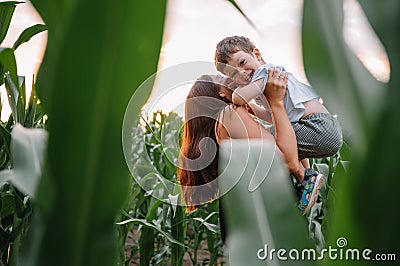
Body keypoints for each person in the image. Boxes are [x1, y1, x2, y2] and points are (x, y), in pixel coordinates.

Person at [178, 68, 323, 221]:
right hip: (262, 214)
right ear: (220, 93)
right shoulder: (230, 113)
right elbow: (287, 162)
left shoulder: (220, 123)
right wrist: (276, 102)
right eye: (222, 79)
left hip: (245, 214)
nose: (229, 79)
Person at [214, 36, 343, 171]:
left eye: (242, 62)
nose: (241, 72)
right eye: (234, 74)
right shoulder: (262, 88)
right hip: (316, 128)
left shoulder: (266, 73)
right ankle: (306, 176)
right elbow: (273, 117)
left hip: (317, 126)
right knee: (285, 133)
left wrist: (234, 95)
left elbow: (238, 98)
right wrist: (253, 109)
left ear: (256, 54)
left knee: (266, 141)